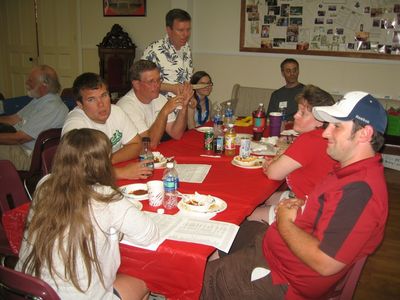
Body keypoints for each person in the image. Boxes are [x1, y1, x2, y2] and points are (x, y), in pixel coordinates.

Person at [201, 91, 388, 299]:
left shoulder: (359, 191)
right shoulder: (350, 170)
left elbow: (326, 263)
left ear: (364, 133)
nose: (325, 133)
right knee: (226, 232)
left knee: (195, 279)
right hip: (274, 249)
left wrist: (285, 222)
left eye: (337, 126)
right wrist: (303, 206)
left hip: (279, 279)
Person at [16, 128, 159, 300]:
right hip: (74, 296)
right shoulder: (106, 197)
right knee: (144, 280)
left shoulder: (44, 185)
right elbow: (149, 235)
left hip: (30, 289)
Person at [248, 85, 336, 224]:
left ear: (320, 120)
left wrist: (272, 164)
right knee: (263, 198)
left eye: (303, 113)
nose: (295, 115)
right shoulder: (324, 137)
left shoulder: (310, 140)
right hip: (320, 200)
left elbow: (273, 173)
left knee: (248, 212)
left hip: (312, 211)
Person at [62, 72, 152, 179]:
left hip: (105, 174)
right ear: (80, 104)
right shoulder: (75, 126)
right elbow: (78, 170)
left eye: (104, 95)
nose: (101, 104)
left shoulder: (116, 111)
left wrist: (107, 160)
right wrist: (120, 173)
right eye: (91, 99)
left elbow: (137, 144)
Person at [0, 65, 68, 170]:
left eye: (30, 81)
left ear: (43, 86)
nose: (26, 83)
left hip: (29, 157)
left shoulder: (52, 107)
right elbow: (13, 119)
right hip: (20, 147)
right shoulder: (39, 100)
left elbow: (20, 138)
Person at [117, 60, 193, 148]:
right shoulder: (126, 106)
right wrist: (164, 111)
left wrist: (184, 106)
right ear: (136, 84)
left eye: (158, 80)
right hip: (132, 158)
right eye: (151, 81)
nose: (157, 85)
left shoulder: (159, 98)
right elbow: (149, 145)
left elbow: (176, 133)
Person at [142, 8, 193, 97]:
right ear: (169, 30)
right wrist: (171, 88)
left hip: (182, 105)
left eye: (188, 30)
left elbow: (186, 79)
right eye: (181, 30)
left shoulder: (186, 48)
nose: (186, 34)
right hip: (160, 107)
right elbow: (142, 83)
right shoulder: (153, 51)